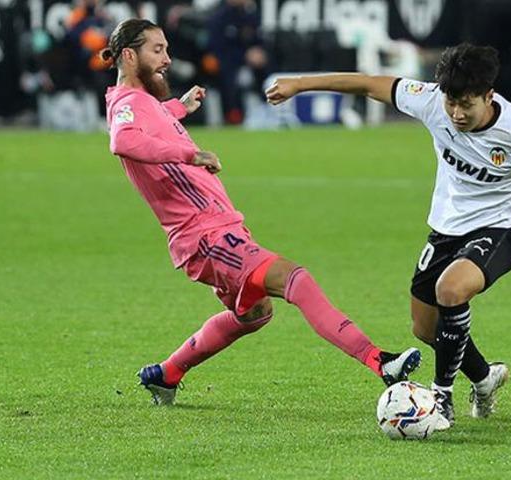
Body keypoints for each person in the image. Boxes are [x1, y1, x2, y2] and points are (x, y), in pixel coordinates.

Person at [266, 43, 511, 429]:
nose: (457, 114)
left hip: (501, 229)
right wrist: (299, 83)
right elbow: (366, 84)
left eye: (467, 104)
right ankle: (484, 377)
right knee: (426, 327)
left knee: (451, 290)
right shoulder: (430, 101)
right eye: (451, 103)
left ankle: (440, 399)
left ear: (488, 96)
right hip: (446, 230)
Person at [101, 19, 421, 406]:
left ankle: (167, 374)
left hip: (218, 228)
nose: (167, 59)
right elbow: (124, 140)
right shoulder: (127, 105)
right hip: (204, 237)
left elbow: (150, 122)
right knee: (295, 279)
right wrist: (191, 153)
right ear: (129, 56)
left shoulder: (144, 103)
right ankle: (380, 361)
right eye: (157, 50)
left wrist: (177, 108)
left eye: (166, 49)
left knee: (254, 314)